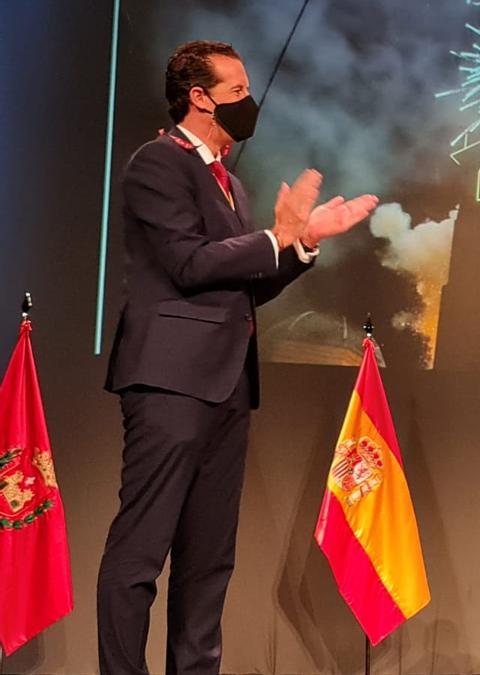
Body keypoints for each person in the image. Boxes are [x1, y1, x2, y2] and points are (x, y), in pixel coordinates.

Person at [99, 40, 378, 675]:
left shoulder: (232, 184)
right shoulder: (157, 164)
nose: (248, 103)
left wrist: (301, 244)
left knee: (209, 561)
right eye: (236, 91)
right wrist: (274, 236)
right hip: (169, 382)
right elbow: (188, 263)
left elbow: (248, 285)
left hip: (227, 387)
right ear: (198, 97)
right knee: (141, 552)